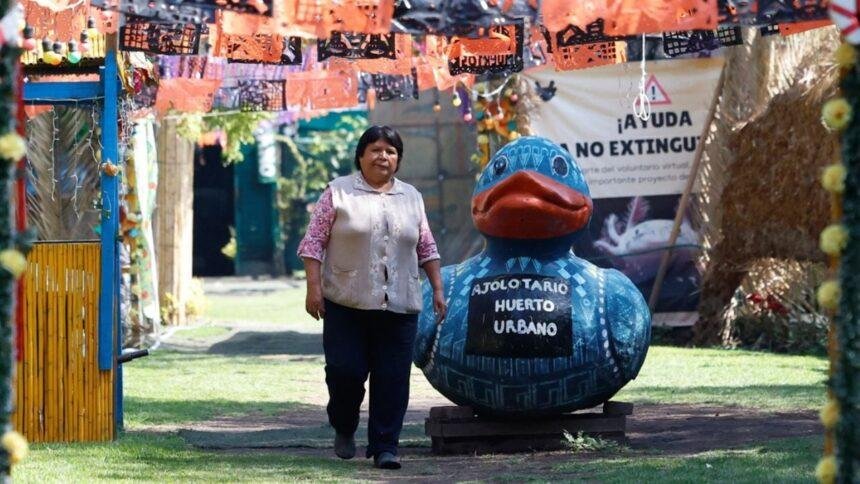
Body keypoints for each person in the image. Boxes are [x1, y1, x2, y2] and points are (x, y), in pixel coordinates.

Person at [297, 125, 446, 470]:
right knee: (345, 371)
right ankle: (344, 424)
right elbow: (313, 243)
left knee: (392, 377)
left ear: (399, 159)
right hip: (347, 301)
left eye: (391, 151)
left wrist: (437, 288)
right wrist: (314, 287)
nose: (383, 156)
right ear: (361, 156)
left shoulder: (411, 197)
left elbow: (426, 246)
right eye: (376, 150)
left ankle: (385, 447)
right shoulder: (338, 192)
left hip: (400, 302)